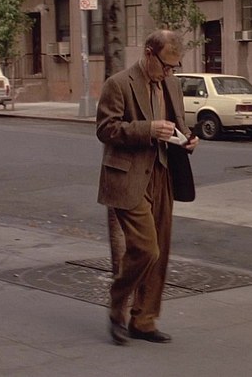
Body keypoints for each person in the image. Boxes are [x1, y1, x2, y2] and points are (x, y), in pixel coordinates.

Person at [96, 29, 199, 345]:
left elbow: (178, 125)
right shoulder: (118, 84)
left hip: (163, 173)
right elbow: (105, 129)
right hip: (127, 177)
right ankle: (118, 304)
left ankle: (143, 321)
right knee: (145, 248)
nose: (169, 72)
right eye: (166, 65)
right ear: (148, 54)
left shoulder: (171, 84)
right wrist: (148, 130)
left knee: (160, 253)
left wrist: (188, 139)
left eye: (174, 67)